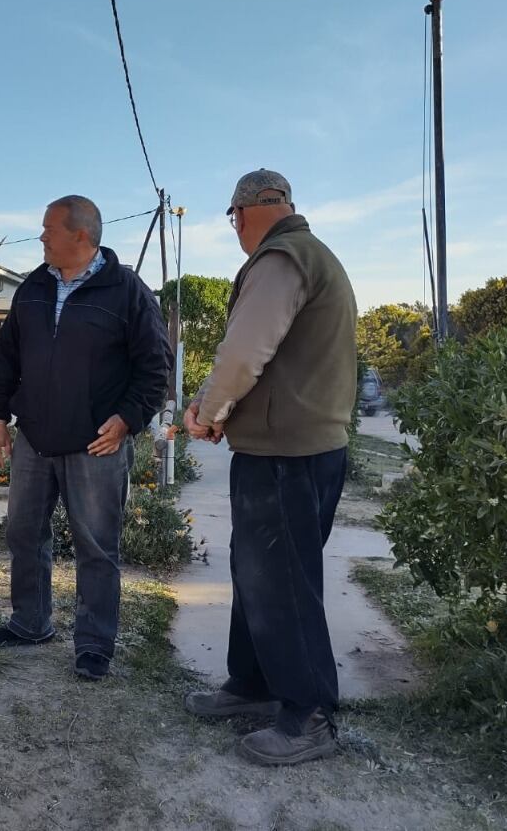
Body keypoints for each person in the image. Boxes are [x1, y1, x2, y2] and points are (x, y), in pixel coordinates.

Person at [182, 168, 357, 766]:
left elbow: (243, 353)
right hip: (295, 448)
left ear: (252, 209)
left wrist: (207, 411)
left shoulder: (282, 258)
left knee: (281, 581)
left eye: (233, 219)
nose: (234, 230)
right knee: (259, 573)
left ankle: (308, 715)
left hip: (288, 455)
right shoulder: (311, 256)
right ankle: (253, 683)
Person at [0, 195, 171, 680]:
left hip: (96, 445)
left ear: (79, 236)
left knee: (97, 546)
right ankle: (30, 622)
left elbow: (154, 367)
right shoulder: (33, 288)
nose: (41, 237)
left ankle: (93, 644)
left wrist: (128, 418)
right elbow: (8, 359)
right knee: (23, 532)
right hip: (34, 438)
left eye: (48, 229)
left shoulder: (127, 291)